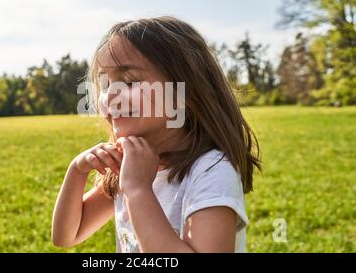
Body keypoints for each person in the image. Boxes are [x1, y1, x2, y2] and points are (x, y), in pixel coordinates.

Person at [52, 16, 261, 252]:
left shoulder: (211, 170)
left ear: (182, 91)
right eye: (105, 84)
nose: (109, 96)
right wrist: (77, 170)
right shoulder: (127, 166)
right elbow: (67, 235)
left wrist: (138, 190)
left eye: (129, 82)